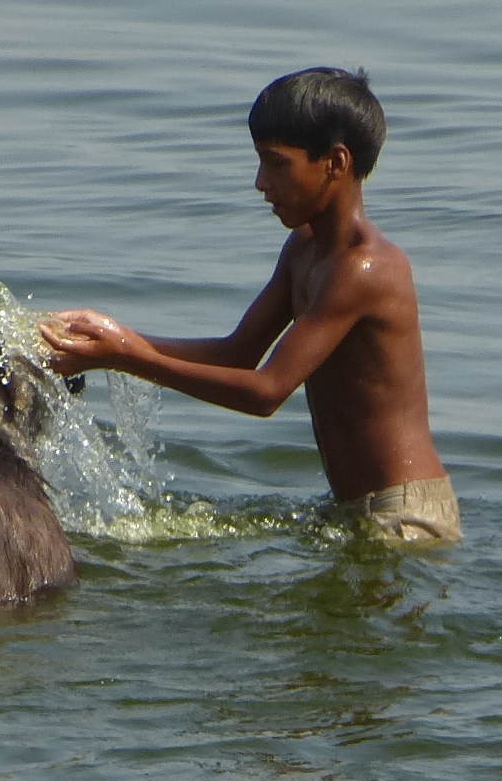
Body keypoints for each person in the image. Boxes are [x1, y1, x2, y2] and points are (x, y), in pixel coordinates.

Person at [36, 68, 459, 546]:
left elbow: (266, 392)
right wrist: (118, 337)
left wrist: (126, 357)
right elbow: (239, 352)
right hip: (350, 509)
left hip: (405, 515)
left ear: (336, 164)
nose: (260, 182)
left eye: (276, 164)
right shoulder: (304, 249)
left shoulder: (365, 269)